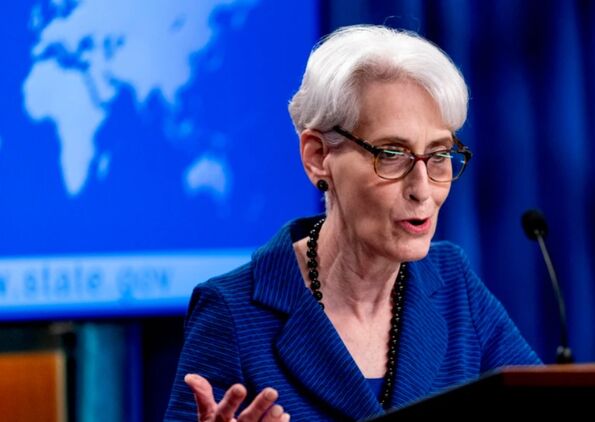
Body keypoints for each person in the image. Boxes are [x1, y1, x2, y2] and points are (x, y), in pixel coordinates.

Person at [164, 24, 540, 422]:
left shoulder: (453, 283)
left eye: (439, 155)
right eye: (392, 154)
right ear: (317, 157)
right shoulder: (232, 311)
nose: (423, 189)